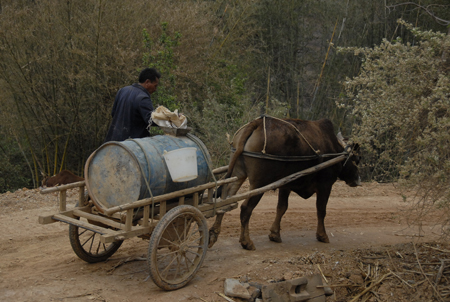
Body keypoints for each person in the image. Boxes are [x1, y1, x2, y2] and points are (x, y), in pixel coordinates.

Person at [104, 68, 161, 142]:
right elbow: (151, 120)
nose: (155, 89)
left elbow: (113, 113)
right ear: (147, 82)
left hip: (113, 141)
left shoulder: (122, 90)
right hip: (131, 145)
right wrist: (169, 119)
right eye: (155, 86)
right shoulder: (143, 98)